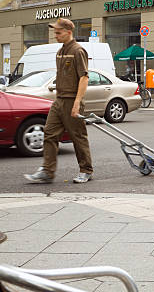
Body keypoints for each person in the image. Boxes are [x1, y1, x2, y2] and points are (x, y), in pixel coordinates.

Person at [24, 18, 93, 184]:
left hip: (72, 101)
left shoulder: (78, 50)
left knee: (78, 136)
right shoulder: (60, 51)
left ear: (68, 32)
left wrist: (77, 102)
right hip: (59, 100)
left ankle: (86, 170)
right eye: (55, 32)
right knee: (49, 133)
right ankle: (47, 171)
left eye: (58, 32)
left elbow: (84, 78)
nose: (55, 35)